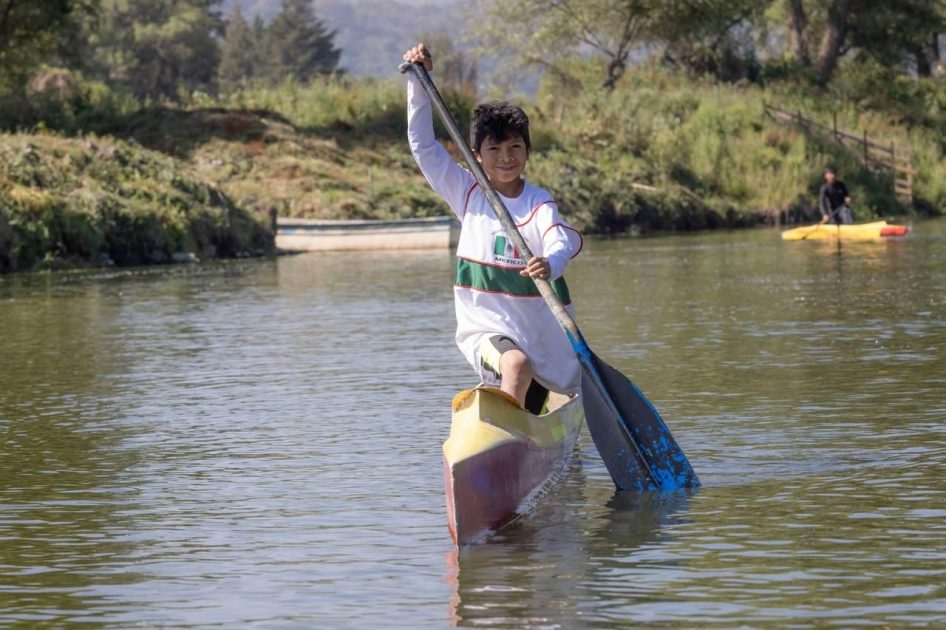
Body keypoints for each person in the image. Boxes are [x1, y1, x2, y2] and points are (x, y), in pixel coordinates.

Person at [402, 43, 583, 411]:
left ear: (527, 151)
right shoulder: (467, 192)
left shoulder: (538, 202)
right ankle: (505, 442)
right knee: (515, 364)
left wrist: (551, 262)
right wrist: (418, 84)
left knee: (532, 381)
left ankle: (526, 416)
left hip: (542, 339)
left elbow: (559, 238)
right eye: (495, 149)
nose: (506, 158)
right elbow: (423, 146)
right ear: (477, 153)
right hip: (485, 330)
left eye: (515, 147)